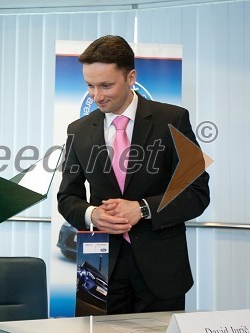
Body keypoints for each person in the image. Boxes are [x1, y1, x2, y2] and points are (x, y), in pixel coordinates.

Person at [57, 35, 210, 314]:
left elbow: (196, 192)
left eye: (106, 85)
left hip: (162, 269)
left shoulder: (173, 120)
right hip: (100, 271)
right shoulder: (77, 131)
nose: (97, 96)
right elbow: (68, 197)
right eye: (89, 86)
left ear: (131, 77)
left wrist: (143, 208)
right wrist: (93, 214)